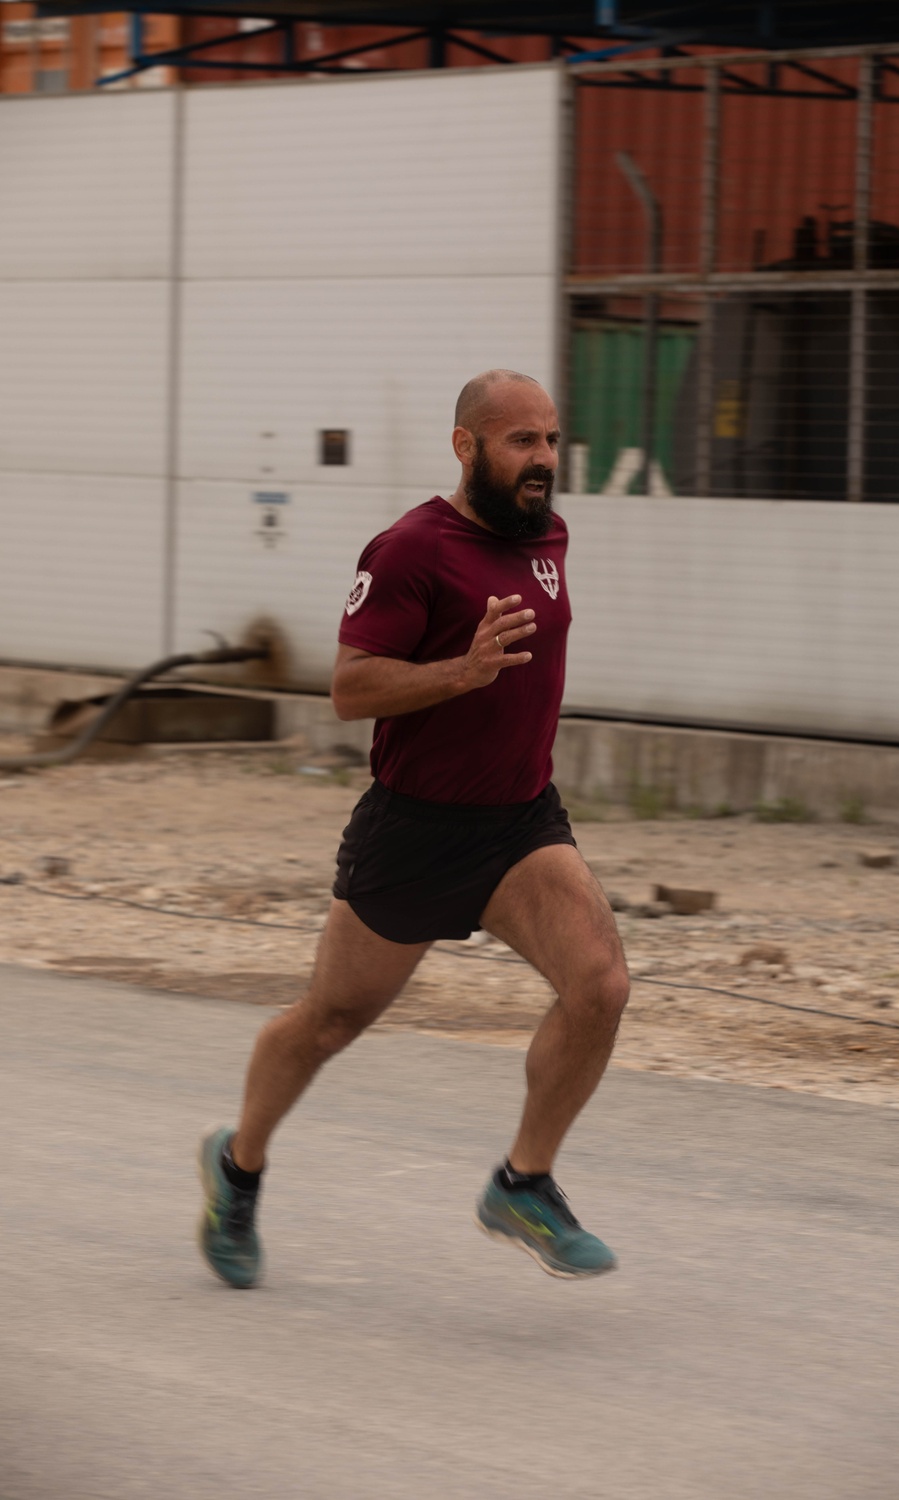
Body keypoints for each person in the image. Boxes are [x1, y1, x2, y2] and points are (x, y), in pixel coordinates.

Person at [198, 369, 630, 1287]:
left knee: (600, 986)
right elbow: (351, 688)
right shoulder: (407, 549)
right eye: (522, 441)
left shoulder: (546, 533)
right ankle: (238, 1168)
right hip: (415, 826)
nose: (544, 460)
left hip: (520, 821)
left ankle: (525, 1182)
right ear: (466, 446)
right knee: (329, 1023)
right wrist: (455, 674)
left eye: (552, 439)